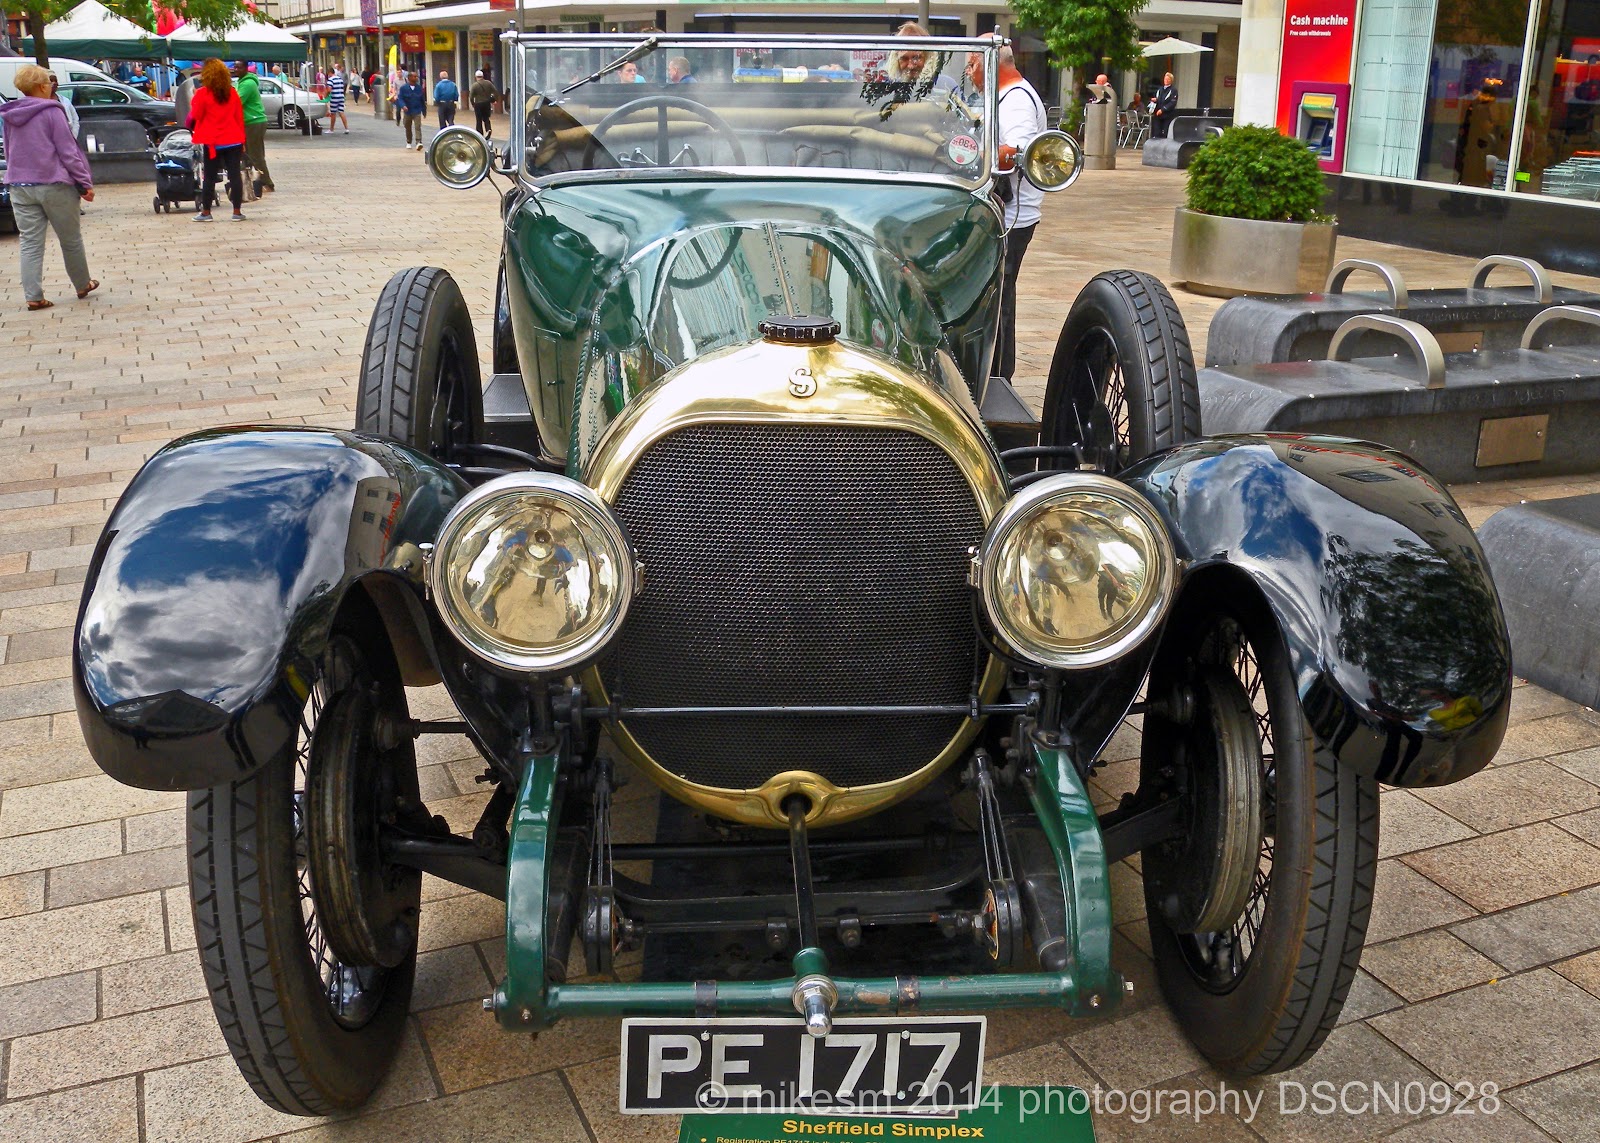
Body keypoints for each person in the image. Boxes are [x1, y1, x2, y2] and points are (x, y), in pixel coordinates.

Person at [965, 45, 1046, 383]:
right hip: (1005, 211)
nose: (969, 72)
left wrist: (967, 149)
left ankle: (999, 377)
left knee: (997, 295)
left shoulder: (1016, 100)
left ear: (989, 64)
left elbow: (1017, 153)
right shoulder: (1007, 96)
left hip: (1010, 215)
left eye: (972, 64)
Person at [1, 64, 98, 310]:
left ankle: (33, 296)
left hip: (20, 185)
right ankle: (82, 284)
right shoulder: (52, 112)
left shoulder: (10, 114)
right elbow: (68, 152)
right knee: (70, 239)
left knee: (30, 242)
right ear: (43, 86)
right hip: (55, 184)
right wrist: (84, 182)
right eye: (49, 82)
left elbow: (10, 150)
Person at [187, 57, 247, 222]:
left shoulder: (202, 93)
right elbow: (239, 117)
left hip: (213, 141)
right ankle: (237, 212)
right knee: (234, 175)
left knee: (209, 177)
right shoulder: (232, 93)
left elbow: (197, 115)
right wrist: (243, 140)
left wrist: (194, 97)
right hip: (233, 139)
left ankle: (206, 212)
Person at [234, 60, 274, 194]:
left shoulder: (248, 84)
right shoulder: (240, 82)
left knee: (255, 154)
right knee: (249, 154)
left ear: (246, 68)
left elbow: (237, 102)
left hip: (254, 121)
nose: (236, 69)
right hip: (249, 121)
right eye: (235, 67)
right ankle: (254, 181)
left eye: (239, 67)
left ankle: (267, 183)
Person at [398, 70, 427, 149]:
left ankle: (418, 142)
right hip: (408, 111)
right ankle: (409, 141)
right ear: (409, 78)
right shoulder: (403, 88)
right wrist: (403, 106)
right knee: (408, 126)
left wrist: (424, 110)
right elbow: (400, 98)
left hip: (417, 110)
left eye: (416, 76)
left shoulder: (419, 88)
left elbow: (422, 100)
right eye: (414, 76)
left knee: (418, 126)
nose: (416, 78)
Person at [48, 73, 81, 141]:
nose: (54, 83)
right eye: (51, 81)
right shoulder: (41, 102)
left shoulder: (65, 100)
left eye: (56, 80)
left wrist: (73, 136)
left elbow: (75, 119)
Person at [469, 69, 496, 137]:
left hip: (478, 104)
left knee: (479, 120)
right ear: (483, 76)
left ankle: (479, 134)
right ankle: (488, 129)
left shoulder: (474, 85)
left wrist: (473, 104)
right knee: (486, 118)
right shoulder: (488, 83)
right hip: (487, 103)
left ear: (476, 77)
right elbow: (495, 91)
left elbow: (471, 96)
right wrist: (494, 99)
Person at [1150, 72, 1178, 138]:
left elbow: (1172, 103)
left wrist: (1162, 110)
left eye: (1168, 79)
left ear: (1171, 80)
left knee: (1165, 132)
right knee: (1157, 132)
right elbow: (1159, 99)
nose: (1166, 81)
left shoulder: (1173, 90)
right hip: (1158, 115)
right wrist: (1155, 100)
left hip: (1167, 115)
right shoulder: (1160, 89)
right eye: (1165, 79)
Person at [326, 64, 349, 133]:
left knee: (333, 113)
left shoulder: (330, 80)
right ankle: (346, 128)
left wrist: (326, 96)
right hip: (341, 97)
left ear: (329, 73)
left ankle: (331, 129)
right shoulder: (340, 79)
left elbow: (329, 90)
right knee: (341, 112)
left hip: (334, 98)